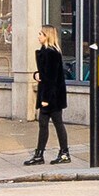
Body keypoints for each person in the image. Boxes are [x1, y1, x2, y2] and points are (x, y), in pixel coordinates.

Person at [23, 26, 70, 167]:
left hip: (52, 96)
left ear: (47, 36)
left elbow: (51, 79)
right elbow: (45, 74)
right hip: (51, 95)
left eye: (40, 34)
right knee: (45, 124)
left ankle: (62, 153)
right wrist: (36, 75)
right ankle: (41, 154)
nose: (38, 36)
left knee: (56, 124)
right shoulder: (47, 52)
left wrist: (45, 99)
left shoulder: (51, 53)